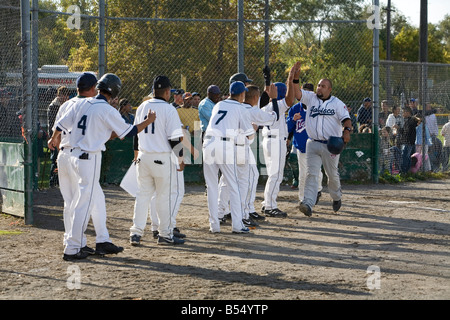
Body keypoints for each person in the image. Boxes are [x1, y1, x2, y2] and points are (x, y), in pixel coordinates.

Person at [47, 73, 156, 261]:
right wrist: (147, 121)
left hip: (69, 155)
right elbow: (129, 132)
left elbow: (60, 124)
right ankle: (72, 248)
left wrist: (54, 137)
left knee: (88, 200)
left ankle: (97, 241)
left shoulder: (79, 103)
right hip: (87, 158)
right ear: (114, 92)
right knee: (83, 203)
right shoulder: (107, 110)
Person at [289, 62, 352, 217]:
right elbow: (297, 94)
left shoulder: (337, 103)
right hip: (312, 143)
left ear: (329, 89)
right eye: (318, 85)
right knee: (311, 174)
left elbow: (346, 119)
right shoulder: (310, 98)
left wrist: (347, 132)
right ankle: (308, 203)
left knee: (332, 175)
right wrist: (295, 78)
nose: (319, 88)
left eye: (323, 86)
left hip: (331, 144)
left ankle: (336, 197)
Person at [129, 75, 185, 246]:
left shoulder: (143, 106)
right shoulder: (169, 109)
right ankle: (165, 234)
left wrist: (136, 154)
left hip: (144, 156)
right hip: (162, 158)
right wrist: (180, 158)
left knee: (142, 196)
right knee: (164, 197)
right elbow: (174, 139)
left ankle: (136, 233)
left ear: (153, 91)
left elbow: (136, 134)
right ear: (167, 92)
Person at [217, 83, 279, 227]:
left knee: (226, 181)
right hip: (239, 148)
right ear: (256, 97)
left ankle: (220, 213)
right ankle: (243, 214)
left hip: (222, 146)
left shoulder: (227, 105)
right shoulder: (248, 110)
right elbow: (273, 118)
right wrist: (274, 99)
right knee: (248, 179)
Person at [51, 72, 98, 253]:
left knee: (69, 201)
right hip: (80, 156)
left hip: (64, 154)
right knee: (80, 202)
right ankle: (75, 243)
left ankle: (73, 240)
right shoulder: (91, 104)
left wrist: (53, 140)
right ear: (93, 88)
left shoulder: (66, 104)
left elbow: (57, 128)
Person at [202, 81, 254, 234]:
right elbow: (249, 133)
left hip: (208, 142)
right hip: (224, 145)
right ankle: (237, 225)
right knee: (233, 185)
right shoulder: (241, 108)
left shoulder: (218, 105)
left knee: (211, 187)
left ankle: (214, 226)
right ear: (242, 94)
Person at [259, 67, 297, 218]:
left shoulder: (265, 105)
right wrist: (291, 79)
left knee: (272, 175)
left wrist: (267, 80)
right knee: (276, 175)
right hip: (275, 141)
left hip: (268, 140)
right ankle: (270, 206)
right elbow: (290, 99)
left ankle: (267, 203)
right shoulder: (278, 104)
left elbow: (268, 93)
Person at [286, 83, 323, 207]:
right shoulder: (295, 109)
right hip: (301, 147)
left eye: (307, 93)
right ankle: (303, 199)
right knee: (303, 174)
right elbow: (288, 127)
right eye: (302, 92)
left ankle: (317, 190)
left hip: (316, 145)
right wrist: (293, 120)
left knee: (316, 172)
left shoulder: (318, 107)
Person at [47, 86, 70, 187]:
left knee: (63, 160)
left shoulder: (68, 105)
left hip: (65, 137)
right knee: (55, 158)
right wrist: (54, 138)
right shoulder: (53, 106)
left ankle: (61, 181)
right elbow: (53, 124)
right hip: (55, 136)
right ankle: (53, 181)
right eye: (62, 95)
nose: (64, 98)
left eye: (66, 96)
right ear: (58, 95)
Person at [398, 106, 419, 174]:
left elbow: (406, 132)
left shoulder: (411, 121)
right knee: (408, 157)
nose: (402, 114)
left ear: (407, 112)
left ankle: (404, 171)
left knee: (405, 157)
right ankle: (407, 171)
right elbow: (404, 131)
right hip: (409, 142)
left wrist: (398, 128)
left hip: (408, 142)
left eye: (403, 112)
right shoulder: (409, 120)